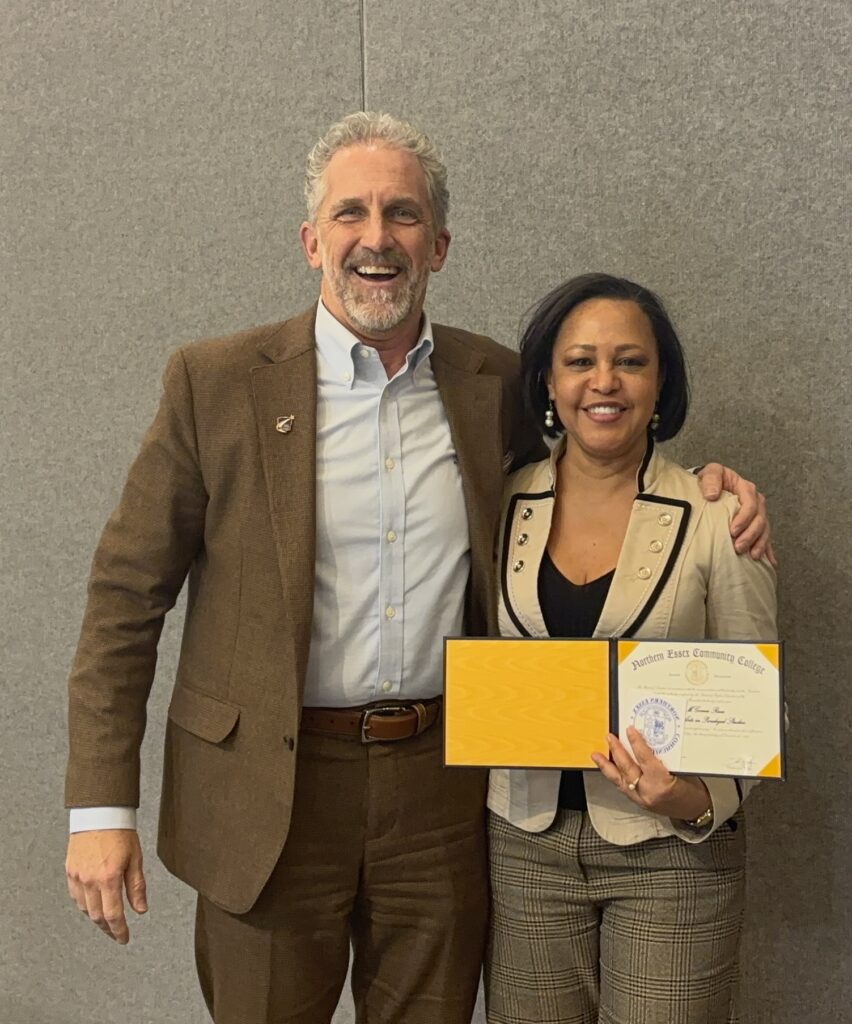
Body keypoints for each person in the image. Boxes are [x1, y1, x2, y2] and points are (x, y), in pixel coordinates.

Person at [64, 114, 771, 1024]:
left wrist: (711, 485)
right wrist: (97, 811)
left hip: (439, 792)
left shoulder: (497, 385)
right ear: (311, 239)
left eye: (403, 214)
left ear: (437, 244)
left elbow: (600, 462)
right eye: (350, 212)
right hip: (266, 795)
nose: (376, 237)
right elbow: (124, 602)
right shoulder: (217, 384)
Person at [485, 273, 778, 1024]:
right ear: (548, 381)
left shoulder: (719, 517)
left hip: (671, 853)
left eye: (631, 361)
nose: (604, 382)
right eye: (580, 361)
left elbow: (755, 710)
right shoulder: (495, 502)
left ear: (662, 381)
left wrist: (691, 800)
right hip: (523, 847)